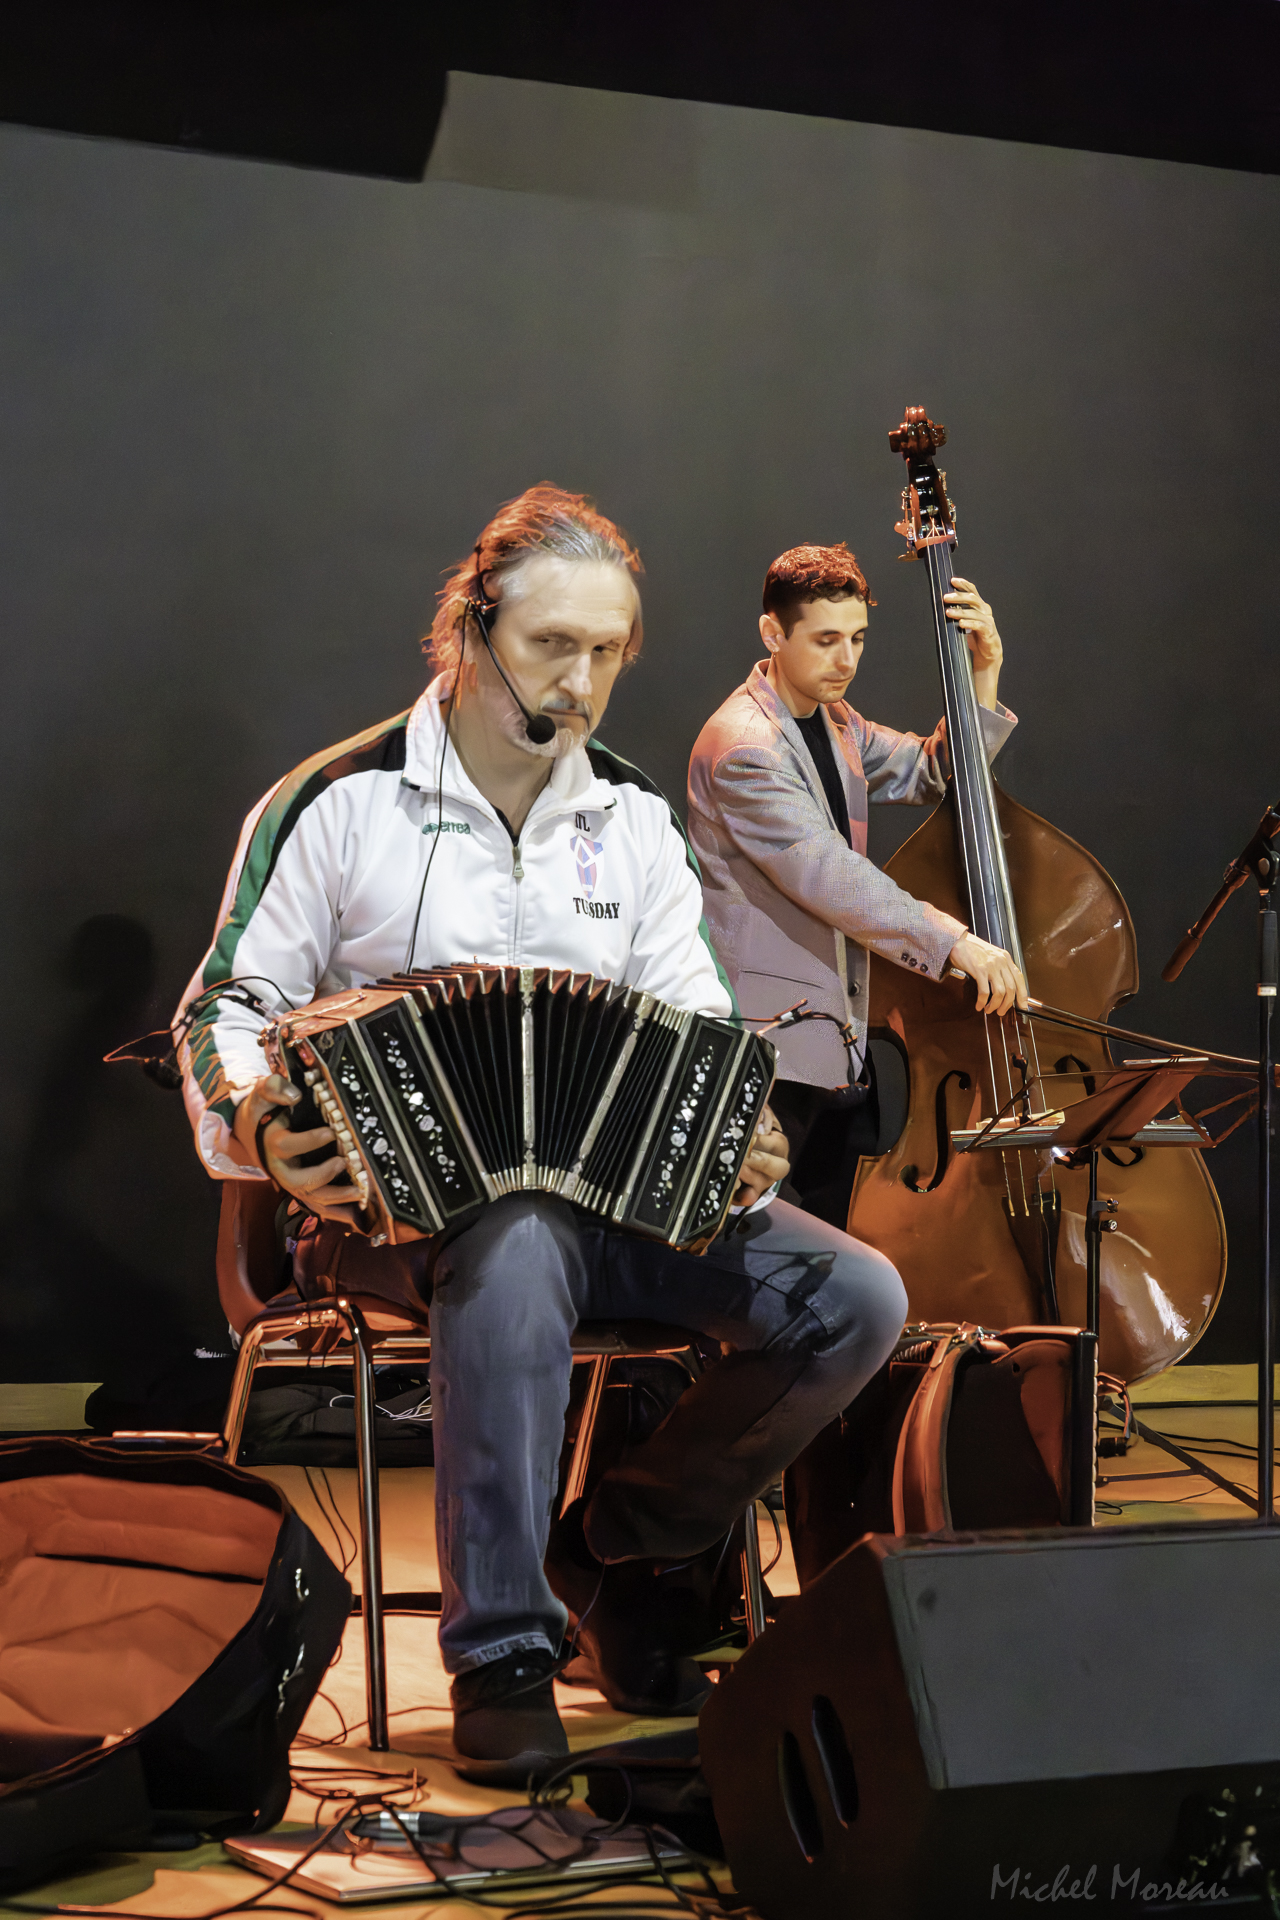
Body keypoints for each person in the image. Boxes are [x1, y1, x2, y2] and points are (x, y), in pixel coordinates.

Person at [175, 489, 908, 1784]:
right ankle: (503, 1654)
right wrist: (252, 1123)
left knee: (851, 1294)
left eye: (608, 652)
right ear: (469, 626)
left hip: (613, 1206)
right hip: (377, 1215)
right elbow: (226, 1007)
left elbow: (690, 1011)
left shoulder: (631, 819)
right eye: (549, 644)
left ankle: (613, 1546)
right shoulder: (339, 802)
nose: (580, 680)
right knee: (511, 1238)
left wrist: (732, 1125)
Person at [687, 541, 1027, 1226]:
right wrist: (955, 943)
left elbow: (932, 771)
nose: (845, 660)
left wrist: (981, 676)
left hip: (835, 1046)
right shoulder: (745, 747)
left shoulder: (835, 721)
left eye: (858, 639)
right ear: (772, 634)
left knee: (822, 1261)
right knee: (757, 1261)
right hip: (770, 1053)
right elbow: (829, 874)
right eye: (825, 640)